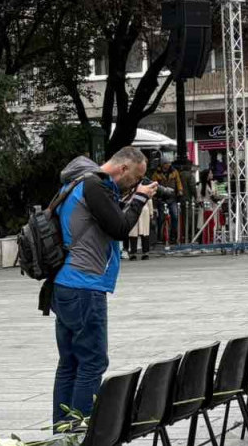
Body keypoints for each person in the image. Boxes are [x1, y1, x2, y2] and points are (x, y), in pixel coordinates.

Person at [51, 147, 157, 427]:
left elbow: (105, 220)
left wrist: (130, 197)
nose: (135, 183)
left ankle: (63, 430)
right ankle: (81, 431)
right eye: (136, 177)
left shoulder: (78, 182)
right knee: (92, 362)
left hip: (66, 283)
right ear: (123, 168)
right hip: (85, 285)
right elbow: (119, 228)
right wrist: (140, 199)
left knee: (70, 362)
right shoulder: (94, 185)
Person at [150, 161, 184, 245]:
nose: (168, 165)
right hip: (161, 198)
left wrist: (180, 190)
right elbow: (154, 185)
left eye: (169, 163)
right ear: (163, 164)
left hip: (172, 198)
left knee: (175, 216)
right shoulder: (156, 174)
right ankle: (160, 237)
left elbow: (178, 182)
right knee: (161, 218)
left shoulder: (174, 172)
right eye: (166, 163)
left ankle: (173, 236)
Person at [127, 197, 152, 261]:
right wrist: (151, 213)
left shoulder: (132, 192)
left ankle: (135, 254)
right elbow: (149, 200)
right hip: (140, 210)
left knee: (137, 233)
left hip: (137, 210)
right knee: (142, 233)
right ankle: (144, 253)